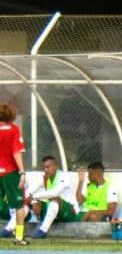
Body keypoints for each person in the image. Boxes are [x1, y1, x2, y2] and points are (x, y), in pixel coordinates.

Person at [25, 155, 78, 239]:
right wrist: (34, 202)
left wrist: (34, 197)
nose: (45, 170)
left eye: (48, 167)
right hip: (53, 211)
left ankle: (43, 230)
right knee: (28, 202)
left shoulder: (63, 176)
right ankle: (9, 229)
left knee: (55, 199)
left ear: (55, 166)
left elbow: (54, 193)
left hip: (69, 213)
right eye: (44, 168)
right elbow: (28, 192)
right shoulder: (44, 178)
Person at [0, 103, 27, 245]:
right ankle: (19, 237)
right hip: (10, 172)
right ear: (11, 115)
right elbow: (16, 151)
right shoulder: (13, 130)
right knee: (19, 205)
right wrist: (22, 172)